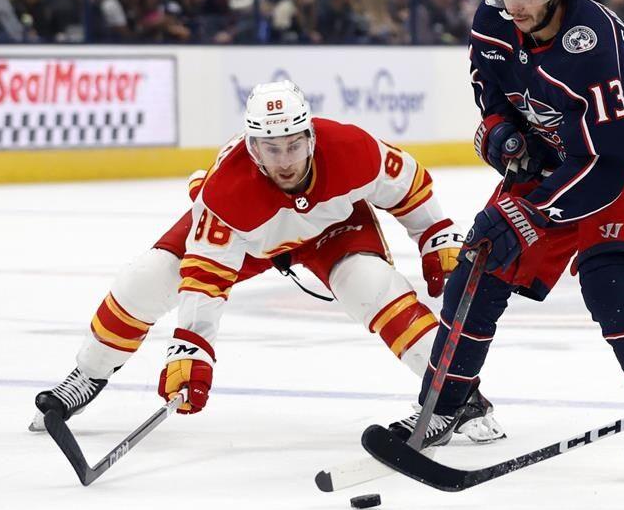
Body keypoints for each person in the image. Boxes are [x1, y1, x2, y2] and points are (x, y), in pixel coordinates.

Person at [32, 80, 504, 448]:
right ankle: (91, 371)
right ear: (251, 147)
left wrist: (435, 235)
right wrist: (191, 349)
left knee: (373, 286)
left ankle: (455, 396)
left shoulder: (351, 149)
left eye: (295, 145)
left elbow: (409, 185)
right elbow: (205, 277)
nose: (285, 161)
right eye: (271, 149)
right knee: (145, 280)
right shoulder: (227, 192)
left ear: (312, 136)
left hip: (330, 229)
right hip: (251, 240)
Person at [389, 0, 624, 481]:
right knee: (482, 257)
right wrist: (502, 136)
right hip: (557, 157)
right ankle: (447, 403)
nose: (512, 2)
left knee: (611, 280)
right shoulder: (491, 21)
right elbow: (493, 102)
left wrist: (531, 214)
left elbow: (603, 163)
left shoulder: (592, 41)